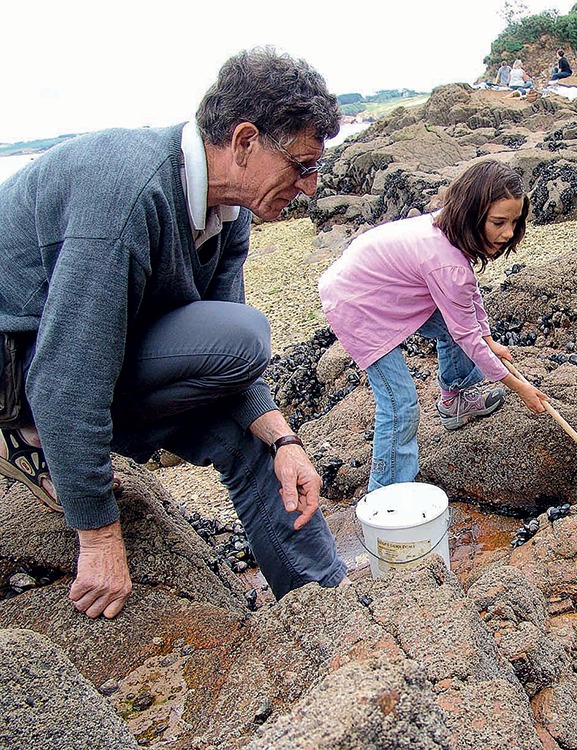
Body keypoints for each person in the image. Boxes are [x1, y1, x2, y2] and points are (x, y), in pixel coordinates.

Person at [0, 47, 351, 620]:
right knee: (244, 333)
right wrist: (98, 534)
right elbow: (67, 379)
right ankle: (27, 436)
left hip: (92, 352)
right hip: (19, 368)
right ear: (244, 141)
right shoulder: (129, 193)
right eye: (302, 165)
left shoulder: (228, 215)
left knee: (252, 436)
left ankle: (325, 608)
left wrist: (286, 440)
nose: (310, 186)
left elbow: (225, 370)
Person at [318, 160, 548, 493]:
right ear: (470, 215)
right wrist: (521, 388)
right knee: (400, 405)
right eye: (498, 222)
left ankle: (455, 399)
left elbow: (468, 304)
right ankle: (388, 494)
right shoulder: (446, 263)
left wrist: (489, 339)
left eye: (515, 222)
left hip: (389, 288)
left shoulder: (449, 235)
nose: (509, 233)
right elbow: (466, 334)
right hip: (356, 303)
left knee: (455, 329)